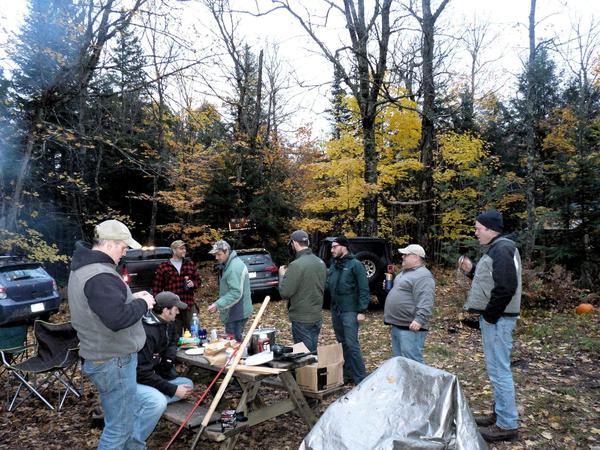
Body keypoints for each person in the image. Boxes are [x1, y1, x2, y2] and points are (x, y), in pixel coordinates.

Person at [68, 220, 155, 450]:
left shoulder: (87, 269)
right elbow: (117, 319)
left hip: (107, 358)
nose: (124, 253)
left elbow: (101, 310)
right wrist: (144, 304)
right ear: (109, 244)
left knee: (129, 421)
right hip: (113, 360)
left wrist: (132, 299)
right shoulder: (100, 275)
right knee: (119, 429)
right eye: (123, 247)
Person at [460, 209, 521, 443]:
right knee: (496, 370)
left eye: (477, 228)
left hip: (499, 319)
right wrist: (471, 271)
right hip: (497, 318)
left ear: (489, 229)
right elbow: (492, 281)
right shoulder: (497, 249)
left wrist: (490, 317)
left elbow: (506, 286)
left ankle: (506, 425)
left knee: (499, 371)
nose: (475, 232)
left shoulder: (502, 248)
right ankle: (500, 416)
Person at [133, 291, 194, 446]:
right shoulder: (147, 331)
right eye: (176, 308)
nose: (178, 311)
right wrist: (172, 390)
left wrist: (168, 358)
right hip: (134, 381)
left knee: (187, 384)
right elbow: (141, 373)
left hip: (153, 376)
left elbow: (173, 341)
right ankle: (134, 441)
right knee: (158, 402)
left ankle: (145, 403)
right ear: (166, 310)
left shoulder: (168, 323)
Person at [326, 236, 369, 384]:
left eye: (335, 247)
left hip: (350, 310)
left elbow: (364, 289)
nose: (332, 250)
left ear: (344, 247)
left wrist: (362, 311)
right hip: (336, 310)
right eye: (332, 247)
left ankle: (361, 378)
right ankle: (348, 374)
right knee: (342, 343)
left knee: (352, 344)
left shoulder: (355, 265)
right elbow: (329, 284)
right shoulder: (334, 264)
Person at [383, 244, 435, 364]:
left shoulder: (423, 275)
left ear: (416, 257)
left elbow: (426, 299)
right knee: (400, 361)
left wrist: (419, 320)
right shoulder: (404, 273)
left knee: (413, 362)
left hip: (411, 327)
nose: (403, 257)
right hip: (398, 324)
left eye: (406, 255)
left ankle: (418, 383)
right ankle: (405, 383)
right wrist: (389, 289)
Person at [278, 230, 327, 352]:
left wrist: (282, 276)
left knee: (305, 357)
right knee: (313, 351)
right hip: (316, 315)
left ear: (294, 243)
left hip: (302, 318)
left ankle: (311, 371)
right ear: (308, 242)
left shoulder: (296, 265)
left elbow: (285, 293)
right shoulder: (320, 262)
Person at [153, 240, 201, 337]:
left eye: (185, 248)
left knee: (195, 333)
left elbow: (198, 281)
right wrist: (157, 307)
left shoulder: (190, 264)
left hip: (188, 305)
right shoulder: (164, 266)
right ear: (174, 250)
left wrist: (193, 284)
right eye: (181, 248)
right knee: (174, 336)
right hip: (172, 307)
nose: (184, 251)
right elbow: (157, 288)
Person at [207, 240, 252, 342]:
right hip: (234, 311)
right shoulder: (229, 264)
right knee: (234, 343)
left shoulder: (234, 267)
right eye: (215, 254)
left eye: (219, 254)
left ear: (226, 251)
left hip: (237, 312)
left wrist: (217, 305)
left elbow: (235, 293)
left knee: (234, 345)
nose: (216, 257)